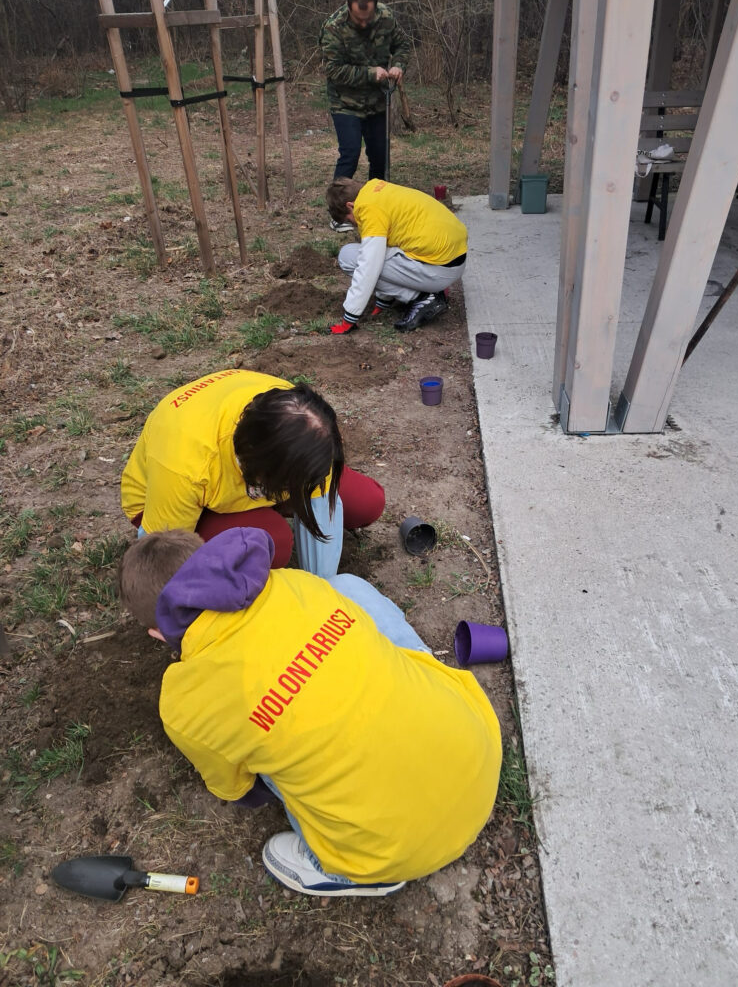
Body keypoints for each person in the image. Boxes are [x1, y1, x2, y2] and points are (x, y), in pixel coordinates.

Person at [118, 526, 502, 897]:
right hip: (478, 751)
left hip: (398, 850)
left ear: (156, 633)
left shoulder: (184, 702)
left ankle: (354, 874)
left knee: (255, 753)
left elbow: (240, 790)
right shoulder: (293, 584)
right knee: (345, 589)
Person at [120, 369, 384, 578]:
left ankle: (263, 507)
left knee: (366, 502)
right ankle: (254, 519)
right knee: (272, 542)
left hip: (266, 469)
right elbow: (160, 553)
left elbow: (320, 499)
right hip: (172, 504)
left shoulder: (305, 422)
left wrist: (324, 589)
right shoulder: (184, 462)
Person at [319, 0, 410, 230]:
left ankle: (376, 206)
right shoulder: (333, 27)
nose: (363, 23)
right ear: (348, 8)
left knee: (380, 155)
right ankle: (339, 214)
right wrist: (371, 74)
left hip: (378, 102)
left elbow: (402, 45)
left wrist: (399, 65)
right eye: (358, 19)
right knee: (350, 153)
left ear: (375, 7)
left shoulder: (387, 18)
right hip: (345, 103)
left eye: (367, 18)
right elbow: (334, 70)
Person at [326, 177, 468, 334]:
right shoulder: (376, 190)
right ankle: (424, 292)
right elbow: (388, 245)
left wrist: (349, 318)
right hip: (452, 259)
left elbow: (369, 266)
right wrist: (383, 299)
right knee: (369, 253)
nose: (355, 225)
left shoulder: (367, 208)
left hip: (439, 269)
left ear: (350, 206)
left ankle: (422, 297)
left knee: (348, 256)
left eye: (350, 220)